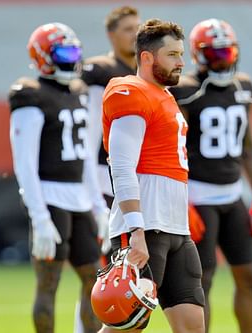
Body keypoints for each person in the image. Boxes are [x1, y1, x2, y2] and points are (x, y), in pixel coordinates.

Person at [97, 18, 205, 333]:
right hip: (144, 228)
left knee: (192, 326)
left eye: (181, 54)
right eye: (172, 55)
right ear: (147, 57)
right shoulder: (130, 91)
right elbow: (121, 166)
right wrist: (135, 232)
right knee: (125, 326)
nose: (181, 62)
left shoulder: (166, 96)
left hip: (176, 230)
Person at [169, 19, 252, 333]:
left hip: (231, 195)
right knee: (204, 280)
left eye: (228, 53)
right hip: (199, 197)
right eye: (216, 54)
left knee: (249, 276)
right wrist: (181, 200)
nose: (224, 60)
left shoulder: (243, 86)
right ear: (200, 56)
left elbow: (248, 147)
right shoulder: (186, 90)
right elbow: (174, 150)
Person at [8, 22, 109, 333]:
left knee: (93, 279)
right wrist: (38, 217)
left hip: (79, 199)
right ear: (43, 57)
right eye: (63, 52)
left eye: (74, 51)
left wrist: (98, 206)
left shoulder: (78, 91)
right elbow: (24, 163)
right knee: (48, 285)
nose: (70, 58)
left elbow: (85, 159)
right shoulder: (30, 95)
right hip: (50, 199)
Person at [81, 5, 140, 215]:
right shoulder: (101, 70)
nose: (136, 34)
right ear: (112, 35)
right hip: (105, 172)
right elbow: (90, 131)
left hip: (142, 173)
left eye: (138, 28)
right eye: (128, 29)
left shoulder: (148, 73)